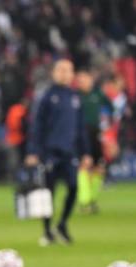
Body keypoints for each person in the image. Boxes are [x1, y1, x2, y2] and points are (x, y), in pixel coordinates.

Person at [25, 59, 92, 245]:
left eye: (68, 70)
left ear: (72, 74)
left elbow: (81, 128)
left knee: (74, 187)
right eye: (61, 70)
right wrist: (33, 151)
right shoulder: (46, 96)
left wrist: (86, 152)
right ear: (54, 73)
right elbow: (37, 126)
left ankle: (62, 223)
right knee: (48, 193)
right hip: (50, 152)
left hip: (70, 152)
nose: (64, 73)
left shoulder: (75, 97)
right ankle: (47, 231)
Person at [75, 71, 112, 214]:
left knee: (99, 167)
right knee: (84, 164)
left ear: (90, 80)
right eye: (80, 80)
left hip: (96, 133)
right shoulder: (75, 96)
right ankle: (84, 202)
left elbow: (111, 109)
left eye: (84, 79)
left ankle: (92, 200)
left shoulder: (98, 94)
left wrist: (107, 130)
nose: (82, 82)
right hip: (81, 134)